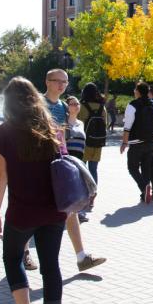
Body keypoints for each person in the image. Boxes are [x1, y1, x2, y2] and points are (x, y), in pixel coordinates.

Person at [0, 77, 66, 304]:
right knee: (51, 267)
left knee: (12, 258)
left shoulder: (5, 131)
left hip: (22, 212)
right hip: (53, 211)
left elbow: (1, 176)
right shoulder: (51, 127)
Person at [22, 69, 105, 273]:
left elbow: (62, 136)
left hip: (58, 162)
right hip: (38, 163)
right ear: (47, 82)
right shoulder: (36, 104)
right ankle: (23, 252)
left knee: (70, 207)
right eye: (57, 81)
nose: (61, 85)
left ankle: (82, 257)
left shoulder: (62, 107)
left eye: (65, 82)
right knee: (32, 209)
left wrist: (65, 157)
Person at [120, 82, 153, 203]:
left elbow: (127, 126)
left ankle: (144, 188)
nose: (134, 91)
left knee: (132, 167)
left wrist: (124, 142)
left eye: (135, 90)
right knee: (146, 168)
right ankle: (145, 194)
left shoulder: (132, 105)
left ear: (138, 92)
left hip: (136, 143)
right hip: (150, 142)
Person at [77, 82, 108, 190]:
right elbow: (106, 124)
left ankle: (82, 191)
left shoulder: (81, 107)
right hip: (98, 142)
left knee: (82, 168)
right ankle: (93, 192)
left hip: (84, 142)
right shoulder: (102, 107)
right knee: (93, 169)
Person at [64, 96, 88, 223]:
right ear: (67, 107)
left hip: (80, 159)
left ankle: (78, 212)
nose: (76, 106)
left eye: (77, 103)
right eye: (72, 104)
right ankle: (69, 213)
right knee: (69, 187)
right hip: (67, 159)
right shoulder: (64, 123)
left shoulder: (81, 123)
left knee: (79, 186)